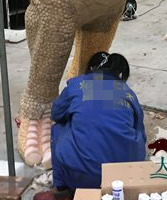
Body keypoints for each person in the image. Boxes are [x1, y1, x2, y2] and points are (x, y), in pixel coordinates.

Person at [34, 52, 147, 200]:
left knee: (58, 127)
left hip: (82, 176)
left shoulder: (78, 84)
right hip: (125, 174)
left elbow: (56, 114)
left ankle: (61, 187)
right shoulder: (127, 92)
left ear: (92, 68)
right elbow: (140, 132)